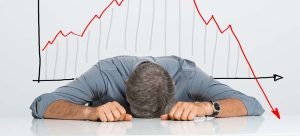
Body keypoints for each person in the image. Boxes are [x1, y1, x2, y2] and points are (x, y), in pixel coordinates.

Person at [30, 55, 264, 122]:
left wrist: (206, 107)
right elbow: (41, 104)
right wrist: (89, 112)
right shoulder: (105, 74)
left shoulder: (188, 75)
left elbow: (254, 105)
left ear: (174, 85)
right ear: (124, 87)